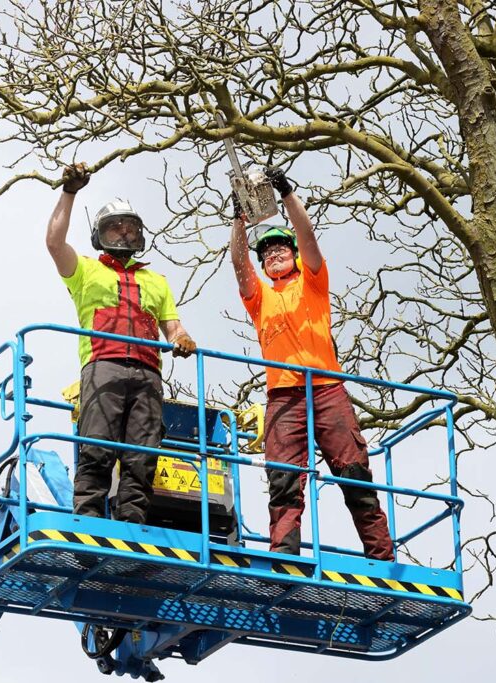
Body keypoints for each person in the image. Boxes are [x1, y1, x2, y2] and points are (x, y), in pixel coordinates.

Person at [229, 166, 393, 561]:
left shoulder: (313, 282)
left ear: (293, 254)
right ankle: (286, 557)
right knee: (283, 480)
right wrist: (238, 220)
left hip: (326, 391)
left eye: (280, 247)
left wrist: (286, 193)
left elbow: (308, 237)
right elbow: (238, 264)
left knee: (354, 474)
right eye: (266, 252)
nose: (273, 253)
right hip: (283, 398)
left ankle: (381, 555)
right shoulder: (260, 298)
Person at [46, 163, 197, 522]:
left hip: (148, 374)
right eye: (116, 226)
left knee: (142, 457)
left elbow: (173, 328)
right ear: (101, 233)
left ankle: (133, 526)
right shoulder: (85, 271)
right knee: (97, 448)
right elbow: (54, 243)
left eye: (131, 228)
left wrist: (184, 338)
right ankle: (88, 520)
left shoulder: (156, 281)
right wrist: (69, 192)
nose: (125, 233)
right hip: (103, 367)